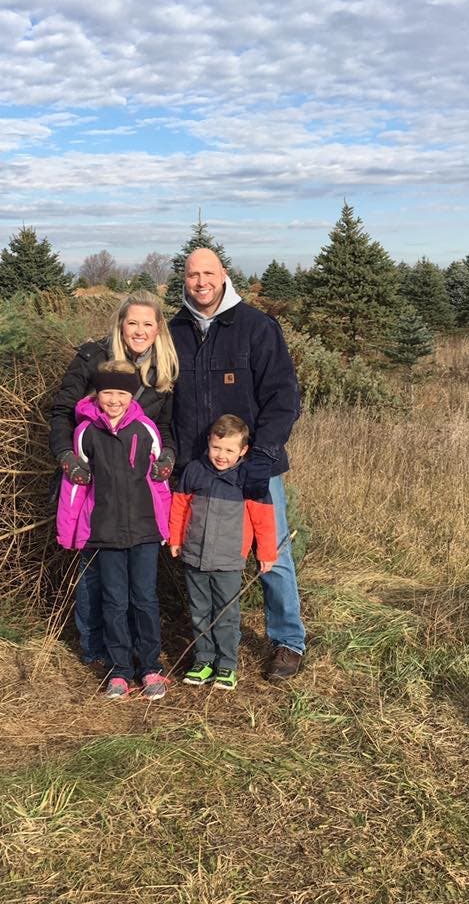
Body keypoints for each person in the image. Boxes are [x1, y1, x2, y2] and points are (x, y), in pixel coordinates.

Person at [168, 247, 306, 681]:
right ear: (184, 279)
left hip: (254, 467)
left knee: (272, 552)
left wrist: (261, 458)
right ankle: (206, 643)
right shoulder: (172, 332)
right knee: (198, 553)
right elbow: (163, 400)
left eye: (208, 273)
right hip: (198, 470)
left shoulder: (256, 327)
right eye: (193, 275)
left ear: (224, 275)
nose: (201, 282)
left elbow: (283, 398)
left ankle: (287, 640)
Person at [49, 291, 178, 671]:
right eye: (132, 322)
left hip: (137, 497)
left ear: (158, 330)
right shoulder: (94, 356)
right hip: (93, 486)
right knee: (94, 578)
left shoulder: (163, 371)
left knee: (139, 588)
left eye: (148, 324)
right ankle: (96, 650)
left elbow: (167, 428)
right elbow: (62, 411)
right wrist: (66, 456)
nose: (139, 330)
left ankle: (141, 655)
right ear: (120, 324)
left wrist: (169, 455)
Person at [56, 360, 171, 700]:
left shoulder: (145, 428)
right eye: (107, 392)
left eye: (121, 392)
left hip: (144, 531)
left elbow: (159, 485)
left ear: (131, 394)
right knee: (114, 601)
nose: (114, 400)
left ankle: (151, 667)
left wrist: (164, 526)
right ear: (97, 393)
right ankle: (120, 671)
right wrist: (69, 531)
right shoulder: (85, 432)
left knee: (145, 599)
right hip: (104, 533)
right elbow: (74, 489)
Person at [168, 414, 277, 690]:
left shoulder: (247, 479)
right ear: (208, 442)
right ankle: (203, 660)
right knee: (199, 610)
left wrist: (266, 552)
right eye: (217, 447)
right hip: (194, 555)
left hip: (229, 560)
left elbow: (263, 518)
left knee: (226, 614)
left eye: (229, 450)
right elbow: (179, 507)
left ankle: (227, 665)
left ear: (243, 451)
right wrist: (175, 538)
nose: (221, 455)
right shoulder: (194, 471)